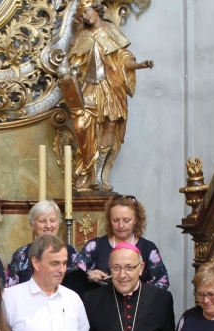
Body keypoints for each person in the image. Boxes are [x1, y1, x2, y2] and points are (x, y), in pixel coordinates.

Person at [67, 3, 152, 191]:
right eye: (81, 14)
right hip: (89, 87)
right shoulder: (82, 35)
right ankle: (86, 171)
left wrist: (138, 65)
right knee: (84, 125)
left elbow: (123, 58)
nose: (85, 17)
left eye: (87, 11)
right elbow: (74, 63)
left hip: (110, 85)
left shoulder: (110, 30)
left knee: (110, 126)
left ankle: (98, 174)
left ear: (96, 10)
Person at [74, 194, 169, 297]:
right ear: (109, 220)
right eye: (115, 220)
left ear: (136, 220)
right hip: (102, 305)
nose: (121, 225)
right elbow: (72, 276)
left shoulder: (148, 248)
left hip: (139, 307)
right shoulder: (95, 246)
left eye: (126, 220)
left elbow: (162, 282)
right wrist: (89, 275)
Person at [5, 200, 77, 287]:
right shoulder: (20, 254)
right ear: (32, 225)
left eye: (52, 220)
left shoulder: (71, 252)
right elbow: (9, 290)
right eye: (43, 221)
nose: (48, 225)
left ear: (58, 223)